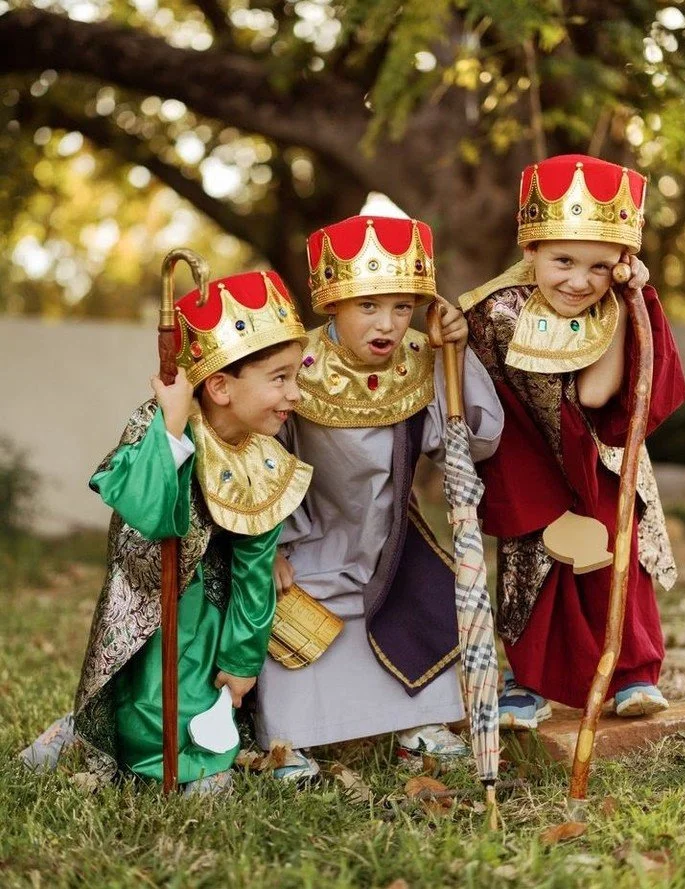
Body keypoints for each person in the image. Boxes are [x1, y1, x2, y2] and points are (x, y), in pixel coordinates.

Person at [20, 271, 312, 794]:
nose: (295, 393)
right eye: (280, 378)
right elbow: (147, 512)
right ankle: (128, 754)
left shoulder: (267, 457)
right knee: (152, 693)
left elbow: (254, 566)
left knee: (204, 689)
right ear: (219, 385)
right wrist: (172, 430)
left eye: (297, 375)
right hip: (152, 595)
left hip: (212, 602)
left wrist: (242, 658)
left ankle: (187, 757)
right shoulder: (158, 424)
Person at [254, 215, 504, 779]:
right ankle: (289, 739)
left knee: (418, 598)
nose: (387, 323)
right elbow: (262, 457)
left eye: (400, 306)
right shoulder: (298, 366)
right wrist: (267, 546)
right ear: (332, 305)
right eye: (368, 306)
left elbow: (473, 442)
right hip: (309, 533)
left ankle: (417, 723)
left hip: (390, 534)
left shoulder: (423, 356)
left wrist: (455, 360)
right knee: (294, 620)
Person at [460, 155, 685, 728]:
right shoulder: (493, 312)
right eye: (563, 260)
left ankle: (632, 673)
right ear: (530, 249)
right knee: (534, 564)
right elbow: (494, 411)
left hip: (602, 458)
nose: (578, 281)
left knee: (617, 559)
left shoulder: (615, 302)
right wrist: (540, 498)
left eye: (599, 267)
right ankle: (531, 681)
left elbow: (596, 399)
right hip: (527, 461)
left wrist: (625, 305)